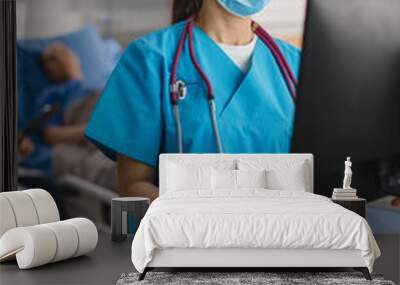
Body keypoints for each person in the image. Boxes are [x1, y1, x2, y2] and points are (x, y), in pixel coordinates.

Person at [85, 0, 301, 201]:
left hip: (286, 236)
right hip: (190, 237)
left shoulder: (295, 64)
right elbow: (133, 188)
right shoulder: (150, 58)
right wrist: (203, 219)